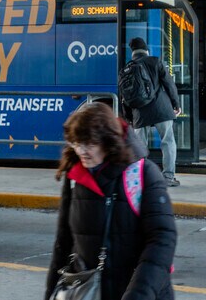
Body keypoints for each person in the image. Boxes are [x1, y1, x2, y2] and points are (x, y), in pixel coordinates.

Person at [45, 102, 177, 300]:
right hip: (91, 292)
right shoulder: (75, 177)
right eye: (75, 143)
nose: (82, 151)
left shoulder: (142, 174)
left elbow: (162, 239)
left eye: (89, 144)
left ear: (108, 141)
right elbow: (63, 243)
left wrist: (139, 294)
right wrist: (50, 293)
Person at [122, 37, 182, 187]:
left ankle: (141, 178)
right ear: (146, 50)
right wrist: (176, 104)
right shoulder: (155, 61)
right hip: (161, 110)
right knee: (168, 141)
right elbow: (169, 84)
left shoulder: (127, 68)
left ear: (133, 53)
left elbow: (125, 96)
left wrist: (129, 118)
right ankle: (168, 177)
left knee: (139, 146)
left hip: (139, 114)